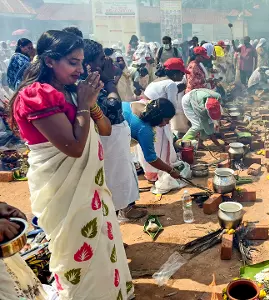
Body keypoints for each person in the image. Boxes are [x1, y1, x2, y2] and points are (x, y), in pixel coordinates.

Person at [9, 30, 133, 299]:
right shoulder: (36, 96)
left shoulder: (72, 92)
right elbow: (75, 148)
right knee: (77, 249)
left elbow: (106, 128)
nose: (80, 69)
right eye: (72, 62)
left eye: (81, 62)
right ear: (50, 61)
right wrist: (85, 105)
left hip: (92, 189)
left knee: (100, 243)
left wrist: (89, 101)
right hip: (64, 188)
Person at [83, 38, 145, 221]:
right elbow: (111, 106)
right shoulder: (87, 85)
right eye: (101, 59)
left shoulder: (96, 79)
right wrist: (110, 81)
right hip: (107, 138)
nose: (106, 62)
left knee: (123, 174)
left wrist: (110, 77)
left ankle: (123, 210)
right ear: (88, 64)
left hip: (115, 134)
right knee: (113, 179)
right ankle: (117, 216)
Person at [139, 58, 189, 181]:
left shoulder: (155, 82)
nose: (183, 75)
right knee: (160, 144)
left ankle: (150, 172)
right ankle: (161, 172)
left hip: (145, 112)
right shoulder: (171, 84)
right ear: (173, 73)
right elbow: (172, 107)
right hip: (157, 117)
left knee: (148, 145)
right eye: (181, 73)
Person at [123, 98, 181, 181]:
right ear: (157, 116)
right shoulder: (144, 129)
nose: (166, 124)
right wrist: (171, 171)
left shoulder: (145, 107)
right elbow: (151, 158)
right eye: (166, 120)